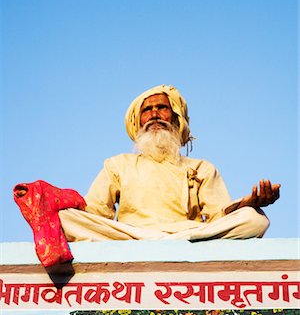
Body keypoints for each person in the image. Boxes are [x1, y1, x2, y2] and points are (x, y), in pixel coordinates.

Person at [59, 85, 280, 242]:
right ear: (138, 122)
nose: (154, 114)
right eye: (147, 110)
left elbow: (219, 216)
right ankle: (163, 241)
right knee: (65, 218)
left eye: (162, 108)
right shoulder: (118, 164)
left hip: (188, 233)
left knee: (255, 219)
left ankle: (177, 241)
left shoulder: (201, 167)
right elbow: (94, 212)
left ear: (176, 118)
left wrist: (247, 204)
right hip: (131, 234)